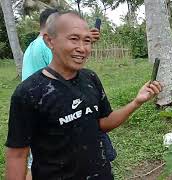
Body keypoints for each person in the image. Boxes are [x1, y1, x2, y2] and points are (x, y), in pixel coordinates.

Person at [5, 11, 162, 179]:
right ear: (49, 41)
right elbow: (17, 155)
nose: (82, 48)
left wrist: (136, 102)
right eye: (73, 39)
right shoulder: (28, 93)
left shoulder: (90, 78)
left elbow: (102, 123)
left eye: (87, 40)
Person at [21, 8, 101, 180]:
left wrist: (83, 39)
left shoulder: (32, 46)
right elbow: (64, 70)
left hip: (45, 107)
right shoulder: (45, 47)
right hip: (48, 107)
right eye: (72, 35)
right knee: (40, 161)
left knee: (34, 161)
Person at [22, 8, 100, 81]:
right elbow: (63, 71)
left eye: (86, 40)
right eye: (73, 39)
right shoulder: (46, 45)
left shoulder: (33, 44)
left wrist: (83, 40)